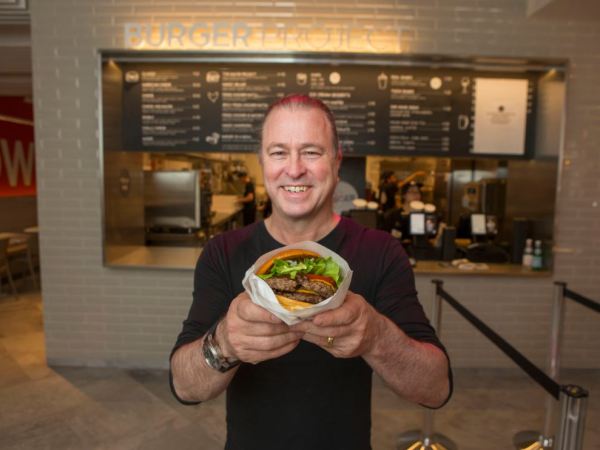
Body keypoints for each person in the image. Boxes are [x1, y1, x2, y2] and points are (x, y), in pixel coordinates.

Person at [170, 94, 452, 450]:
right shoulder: (223, 252)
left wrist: (377, 336)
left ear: (337, 162)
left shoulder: (380, 251)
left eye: (311, 152)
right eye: (278, 152)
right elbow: (185, 386)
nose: (294, 168)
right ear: (262, 162)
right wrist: (225, 342)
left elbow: (436, 388)